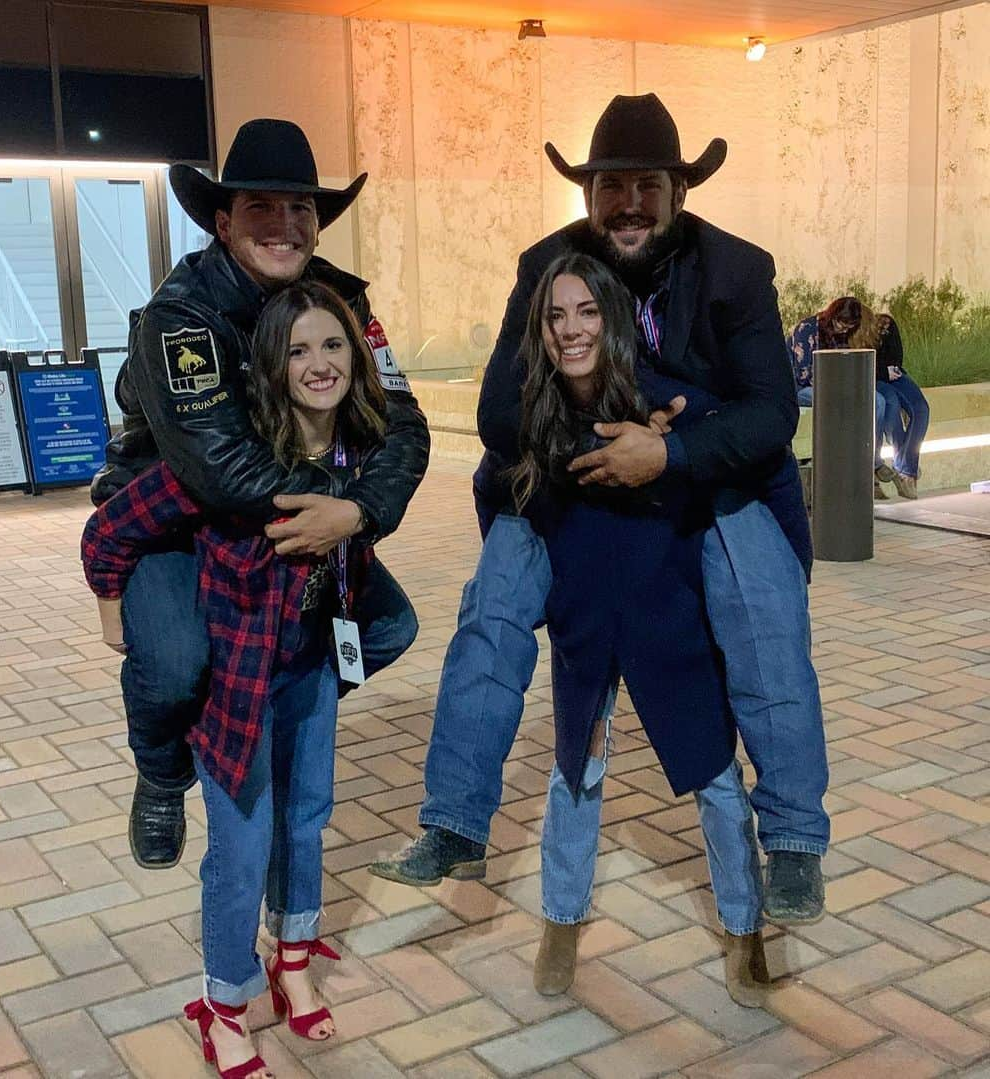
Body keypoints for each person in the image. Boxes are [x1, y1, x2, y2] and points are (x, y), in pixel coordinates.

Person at [371, 93, 829, 927]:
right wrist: (602, 439)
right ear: (587, 195)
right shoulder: (545, 265)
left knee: (763, 606)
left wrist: (671, 449)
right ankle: (453, 822)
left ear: (679, 191)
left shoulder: (736, 271)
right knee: (493, 605)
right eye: (611, 184)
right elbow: (498, 416)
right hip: (569, 478)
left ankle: (795, 835)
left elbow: (771, 416)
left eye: (647, 184)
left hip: (707, 482)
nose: (628, 203)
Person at [84, 281, 407, 1079]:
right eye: (298, 350)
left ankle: (292, 958)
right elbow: (110, 529)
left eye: (333, 345)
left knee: (309, 817)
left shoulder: (360, 451)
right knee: (242, 843)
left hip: (309, 661)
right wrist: (110, 610)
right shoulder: (227, 462)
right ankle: (224, 1001)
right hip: (236, 685)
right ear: (270, 366)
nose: (320, 362)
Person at [89, 119, 429, 869]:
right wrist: (339, 501)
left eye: (300, 209)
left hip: (297, 518)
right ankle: (162, 764)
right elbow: (219, 467)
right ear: (222, 220)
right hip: (174, 519)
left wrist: (361, 511)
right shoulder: (181, 316)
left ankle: (253, 711)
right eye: (261, 209)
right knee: (178, 665)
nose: (284, 226)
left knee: (391, 627)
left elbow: (404, 424)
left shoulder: (343, 301)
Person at [514, 253, 791, 1006]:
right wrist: (546, 596)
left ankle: (745, 929)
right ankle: (560, 922)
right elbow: (497, 499)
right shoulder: (535, 417)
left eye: (587, 312)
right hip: (585, 631)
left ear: (613, 317)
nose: (571, 329)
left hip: (671, 623)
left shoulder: (664, 403)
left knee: (715, 778)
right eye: (555, 315)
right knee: (575, 773)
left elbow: (742, 456)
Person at [789, 296, 896, 498]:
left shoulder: (845, 334)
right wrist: (838, 386)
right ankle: (848, 464)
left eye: (849, 326)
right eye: (842, 323)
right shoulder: (807, 330)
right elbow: (802, 373)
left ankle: (874, 461)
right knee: (842, 402)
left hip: (836, 386)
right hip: (804, 388)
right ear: (833, 316)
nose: (844, 329)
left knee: (878, 401)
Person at [852, 305, 930, 499]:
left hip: (894, 374)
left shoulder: (886, 324)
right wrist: (883, 371)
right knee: (890, 402)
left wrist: (889, 369)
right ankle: (907, 473)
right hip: (876, 377)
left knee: (921, 409)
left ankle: (904, 466)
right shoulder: (849, 334)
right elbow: (861, 365)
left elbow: (896, 355)